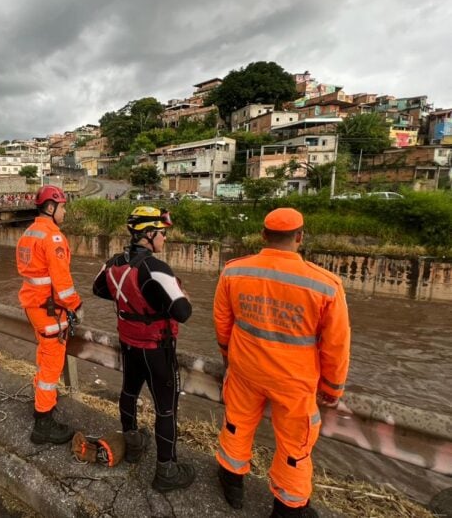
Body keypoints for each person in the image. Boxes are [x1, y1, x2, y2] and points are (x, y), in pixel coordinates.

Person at [212, 208, 350, 517]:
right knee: (294, 447)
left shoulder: (234, 271)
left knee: (237, 424)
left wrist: (227, 357)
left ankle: (232, 482)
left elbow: (222, 322)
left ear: (263, 236)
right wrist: (332, 387)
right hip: (294, 381)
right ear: (300, 237)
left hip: (245, 369)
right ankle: (288, 507)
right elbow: (336, 344)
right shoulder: (325, 285)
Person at [93, 206, 195, 493]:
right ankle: (166, 471)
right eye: (161, 233)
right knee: (165, 410)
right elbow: (183, 312)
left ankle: (134, 445)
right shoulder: (157, 268)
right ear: (148, 234)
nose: (164, 238)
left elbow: (99, 289)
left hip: (129, 344)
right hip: (156, 349)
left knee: (128, 392)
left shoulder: (113, 263)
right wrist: (180, 294)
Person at [16, 185, 82, 445]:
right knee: (52, 364)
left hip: (33, 307)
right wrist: (76, 305)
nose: (65, 212)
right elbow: (63, 283)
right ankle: (43, 422)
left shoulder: (28, 233)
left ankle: (43, 404)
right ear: (51, 208)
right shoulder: (52, 237)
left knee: (44, 356)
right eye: (63, 207)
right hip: (49, 310)